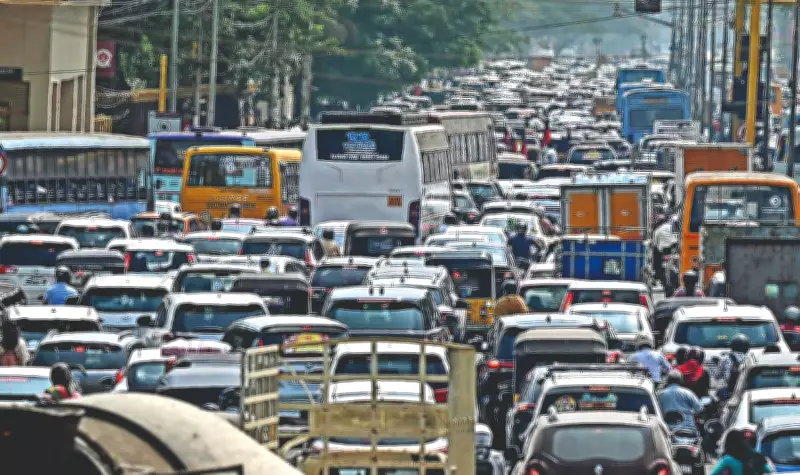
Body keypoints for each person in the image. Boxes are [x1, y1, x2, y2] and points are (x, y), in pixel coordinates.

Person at [714, 333, 750, 398]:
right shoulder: (749, 359)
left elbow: (717, 376)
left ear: (732, 345)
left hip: (727, 391)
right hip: (744, 391)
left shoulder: (725, 358)